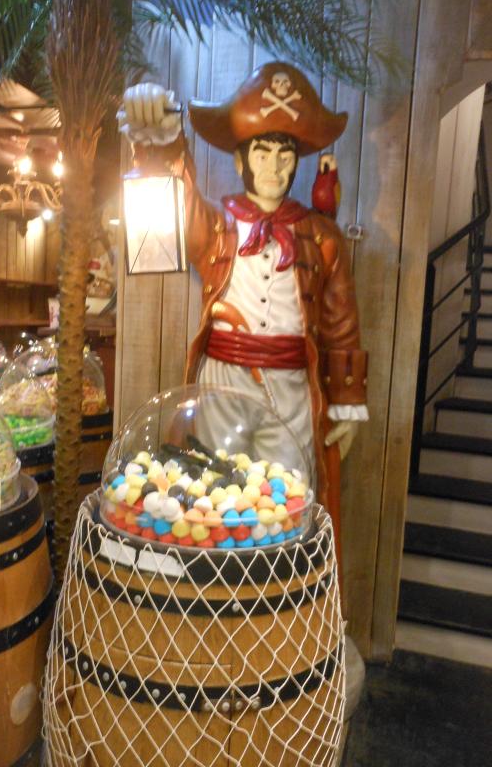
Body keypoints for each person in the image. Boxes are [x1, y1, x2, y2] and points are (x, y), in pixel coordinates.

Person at [119, 62, 368, 549]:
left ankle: (279, 589)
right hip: (224, 380)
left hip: (290, 385)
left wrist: (347, 400)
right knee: (214, 489)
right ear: (240, 161)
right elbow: (180, 200)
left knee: (288, 498)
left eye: (284, 154)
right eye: (262, 152)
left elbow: (341, 321)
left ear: (296, 163)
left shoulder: (322, 237)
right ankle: (217, 585)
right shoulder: (219, 228)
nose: (274, 167)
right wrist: (164, 142)